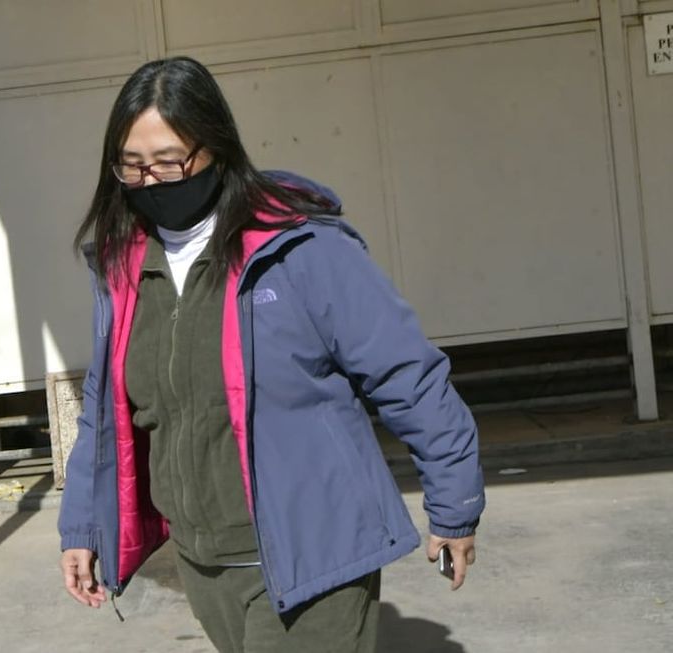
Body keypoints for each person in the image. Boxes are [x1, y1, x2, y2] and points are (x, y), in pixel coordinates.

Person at [58, 56, 484, 652]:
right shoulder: (127, 265)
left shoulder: (300, 248)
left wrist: (453, 503)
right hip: (204, 565)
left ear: (217, 149)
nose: (150, 182)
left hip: (315, 553)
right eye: (132, 167)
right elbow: (105, 412)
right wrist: (83, 523)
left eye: (168, 162)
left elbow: (407, 374)